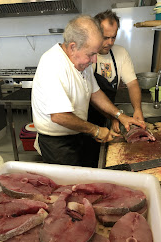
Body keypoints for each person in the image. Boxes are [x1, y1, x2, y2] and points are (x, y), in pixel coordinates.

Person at [31, 15, 145, 168]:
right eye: (91, 54)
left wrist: (120, 115)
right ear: (72, 47)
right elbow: (59, 116)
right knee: (68, 187)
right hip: (57, 144)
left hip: (76, 134)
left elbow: (95, 93)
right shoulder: (53, 64)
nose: (94, 60)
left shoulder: (81, 63)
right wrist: (96, 130)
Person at [88, 10, 144, 131]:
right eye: (105, 38)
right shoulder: (87, 56)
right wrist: (114, 116)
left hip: (111, 112)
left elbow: (133, 83)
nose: (110, 43)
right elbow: (92, 96)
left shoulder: (121, 53)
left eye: (113, 37)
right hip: (88, 118)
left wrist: (138, 109)